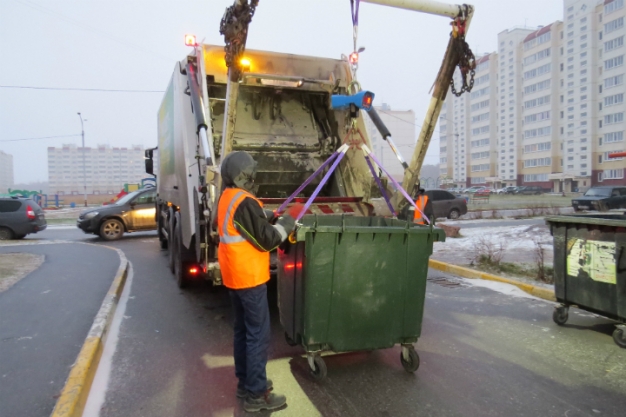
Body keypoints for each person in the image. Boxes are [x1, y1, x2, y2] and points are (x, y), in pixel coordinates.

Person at [217, 151, 296, 412]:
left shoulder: (228, 197)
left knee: (243, 333)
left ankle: (247, 383)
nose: (254, 176)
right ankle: (256, 394)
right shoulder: (244, 202)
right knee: (258, 336)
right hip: (249, 279)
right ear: (245, 175)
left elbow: (251, 217)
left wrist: (270, 214)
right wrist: (286, 223)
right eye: (251, 172)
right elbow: (267, 240)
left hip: (234, 278)